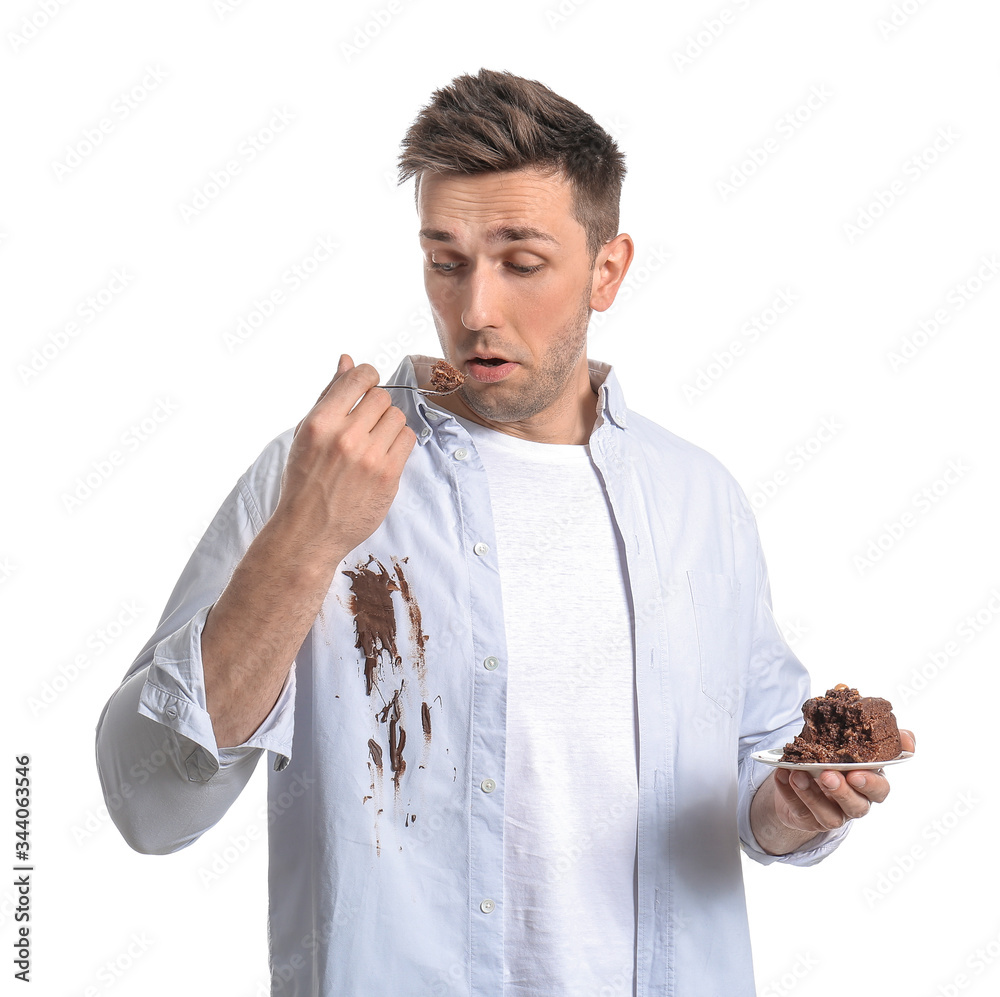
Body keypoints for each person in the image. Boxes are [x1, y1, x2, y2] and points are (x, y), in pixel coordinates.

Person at [95, 68, 914, 996]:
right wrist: (306, 541)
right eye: (446, 261)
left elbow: (750, 776)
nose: (475, 309)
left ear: (607, 270)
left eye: (521, 262)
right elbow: (148, 802)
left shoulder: (700, 499)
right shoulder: (316, 470)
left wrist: (795, 809)